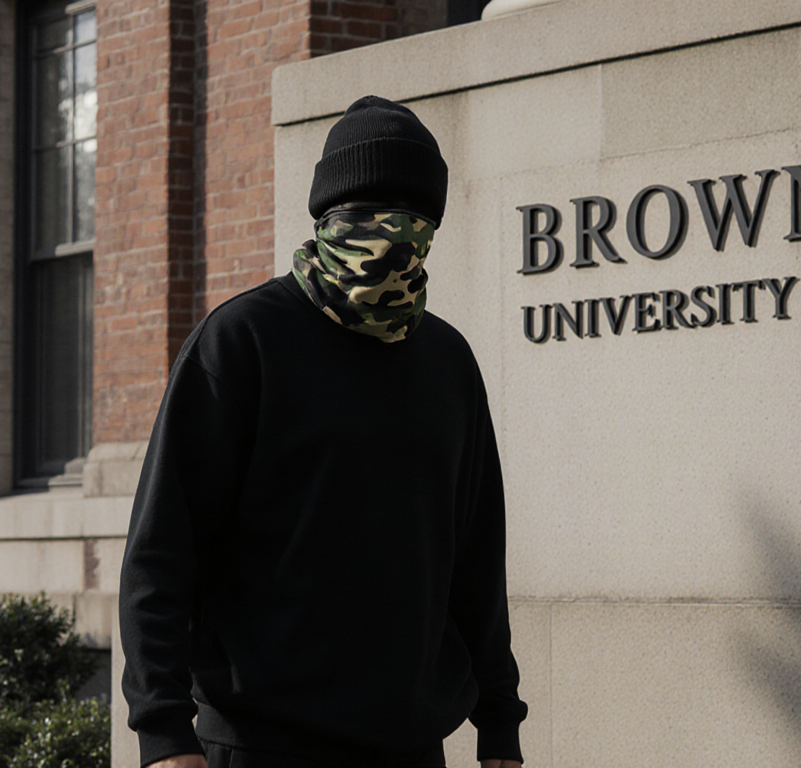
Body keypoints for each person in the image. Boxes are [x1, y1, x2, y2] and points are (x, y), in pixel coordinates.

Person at [119, 95, 527, 768]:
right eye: (367, 207)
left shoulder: (448, 362)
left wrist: (499, 719)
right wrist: (162, 731)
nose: (393, 229)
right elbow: (163, 548)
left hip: (409, 748)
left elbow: (477, 557)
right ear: (326, 214)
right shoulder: (242, 342)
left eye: (414, 212)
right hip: (258, 743)